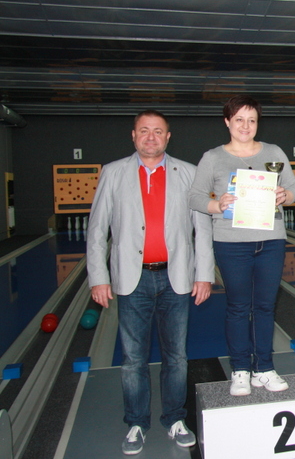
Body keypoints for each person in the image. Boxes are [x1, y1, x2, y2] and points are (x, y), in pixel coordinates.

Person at [86, 110, 214, 455]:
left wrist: (204, 274)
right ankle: (136, 423)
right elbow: (97, 230)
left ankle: (174, 418)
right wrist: (98, 277)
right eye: (144, 130)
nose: (151, 137)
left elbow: (202, 229)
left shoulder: (189, 173)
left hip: (176, 277)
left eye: (158, 131)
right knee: (133, 359)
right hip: (132, 278)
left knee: (176, 357)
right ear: (133, 135)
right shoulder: (113, 172)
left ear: (168, 137)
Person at [189, 95, 295, 397]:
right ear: (227, 121)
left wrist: (286, 195)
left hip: (271, 240)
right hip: (231, 243)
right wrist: (217, 204)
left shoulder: (273, 152)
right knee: (238, 307)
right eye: (239, 119)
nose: (245, 125)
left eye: (251, 120)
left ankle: (264, 368)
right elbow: (195, 196)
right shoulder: (213, 157)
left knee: (265, 306)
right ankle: (240, 369)